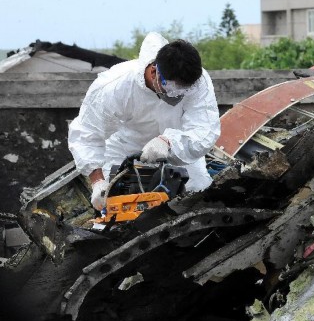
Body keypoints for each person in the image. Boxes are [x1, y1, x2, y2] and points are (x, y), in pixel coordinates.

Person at [68, 32, 220, 211]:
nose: (178, 95)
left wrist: (168, 142)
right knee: (117, 207)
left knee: (198, 195)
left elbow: (204, 130)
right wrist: (98, 181)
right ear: (155, 72)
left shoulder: (198, 82)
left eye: (184, 90)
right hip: (125, 148)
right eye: (173, 89)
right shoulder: (115, 87)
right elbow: (87, 133)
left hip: (178, 148)